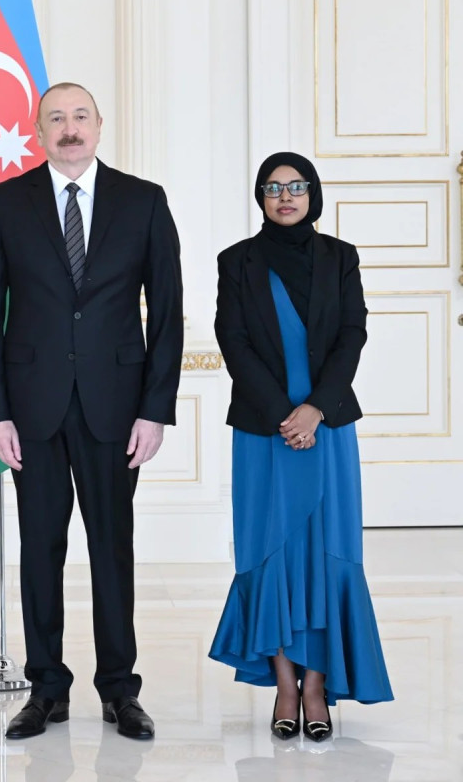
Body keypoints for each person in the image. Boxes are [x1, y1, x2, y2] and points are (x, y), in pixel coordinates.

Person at [0, 82, 183, 741]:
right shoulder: (5, 203)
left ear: (99, 125)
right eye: (56, 118)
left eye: (80, 116)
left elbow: (168, 314)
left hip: (117, 409)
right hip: (30, 409)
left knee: (112, 549)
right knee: (40, 549)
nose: (69, 127)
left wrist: (155, 410)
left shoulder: (144, 201)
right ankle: (47, 690)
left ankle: (119, 691)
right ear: (38, 131)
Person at [209, 151, 393, 742]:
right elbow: (233, 341)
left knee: (326, 552)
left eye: (295, 186)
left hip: (328, 425)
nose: (285, 197)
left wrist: (315, 409)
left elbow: (352, 333)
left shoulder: (341, 257)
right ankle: (285, 686)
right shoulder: (236, 261)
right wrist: (284, 415)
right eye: (272, 188)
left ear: (313, 193)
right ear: (259, 198)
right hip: (264, 430)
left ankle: (317, 687)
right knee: (271, 552)